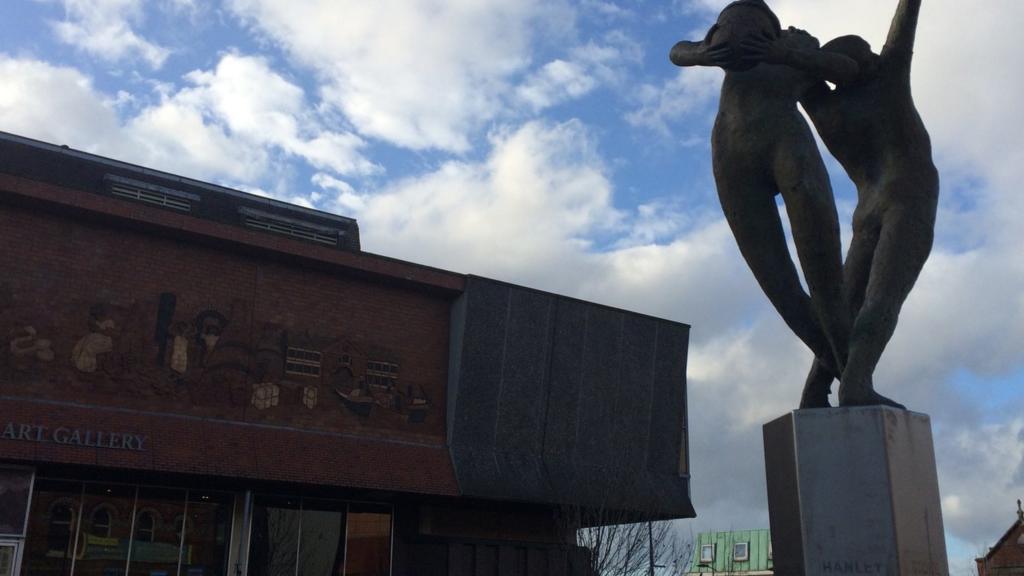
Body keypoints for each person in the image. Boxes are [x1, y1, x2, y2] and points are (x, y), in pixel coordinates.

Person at [746, 0, 937, 408]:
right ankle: (857, 385)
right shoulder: (887, 80)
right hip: (909, 199)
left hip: (865, 210)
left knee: (842, 309)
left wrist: (783, 49)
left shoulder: (821, 106)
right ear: (864, 61)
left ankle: (816, 389)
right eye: (868, 52)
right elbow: (903, 26)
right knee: (882, 299)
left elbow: (803, 74)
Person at [670, 0, 860, 380]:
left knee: (823, 274)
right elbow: (678, 50)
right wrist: (703, 54)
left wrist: (789, 54)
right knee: (777, 281)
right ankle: (845, 371)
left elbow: (848, 71)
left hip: (787, 146)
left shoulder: (799, 50)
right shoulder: (729, 51)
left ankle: (855, 377)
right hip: (731, 154)